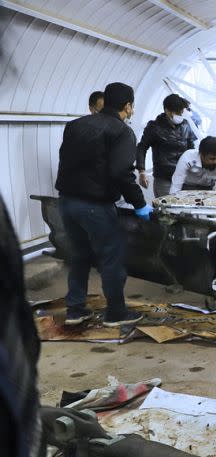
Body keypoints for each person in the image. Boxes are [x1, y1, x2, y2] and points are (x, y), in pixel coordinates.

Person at [55, 82, 152, 327]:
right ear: (128, 106)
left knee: (79, 256)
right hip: (95, 206)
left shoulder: (75, 125)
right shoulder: (122, 132)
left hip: (66, 201)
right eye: (132, 106)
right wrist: (140, 204)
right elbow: (121, 172)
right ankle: (116, 313)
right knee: (111, 259)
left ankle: (75, 310)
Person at [136, 93, 196, 197]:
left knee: (186, 209)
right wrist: (142, 171)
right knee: (167, 209)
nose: (180, 115)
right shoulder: (154, 127)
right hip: (164, 178)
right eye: (177, 112)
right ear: (167, 111)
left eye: (181, 113)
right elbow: (142, 148)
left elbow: (192, 149)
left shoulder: (186, 125)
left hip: (184, 177)